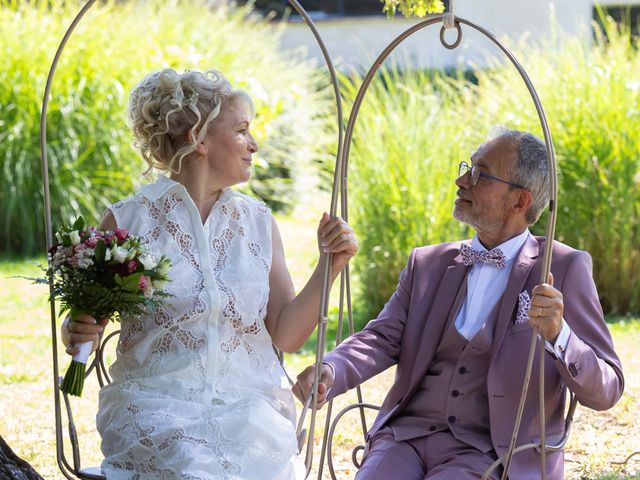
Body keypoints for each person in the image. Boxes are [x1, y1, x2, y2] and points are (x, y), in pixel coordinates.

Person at [61, 67, 358, 479]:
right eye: (241, 130)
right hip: (152, 406)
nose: (254, 144)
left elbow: (287, 335)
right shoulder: (129, 220)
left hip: (249, 407)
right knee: (189, 463)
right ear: (197, 138)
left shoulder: (259, 222)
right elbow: (87, 319)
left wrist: (331, 264)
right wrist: (75, 329)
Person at [293, 129, 624, 480]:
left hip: (492, 453)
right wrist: (331, 368)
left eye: (480, 174)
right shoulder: (428, 263)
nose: (461, 180)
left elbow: (607, 389)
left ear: (520, 201)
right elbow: (380, 337)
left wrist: (561, 335)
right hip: (404, 437)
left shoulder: (563, 268)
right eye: (468, 167)